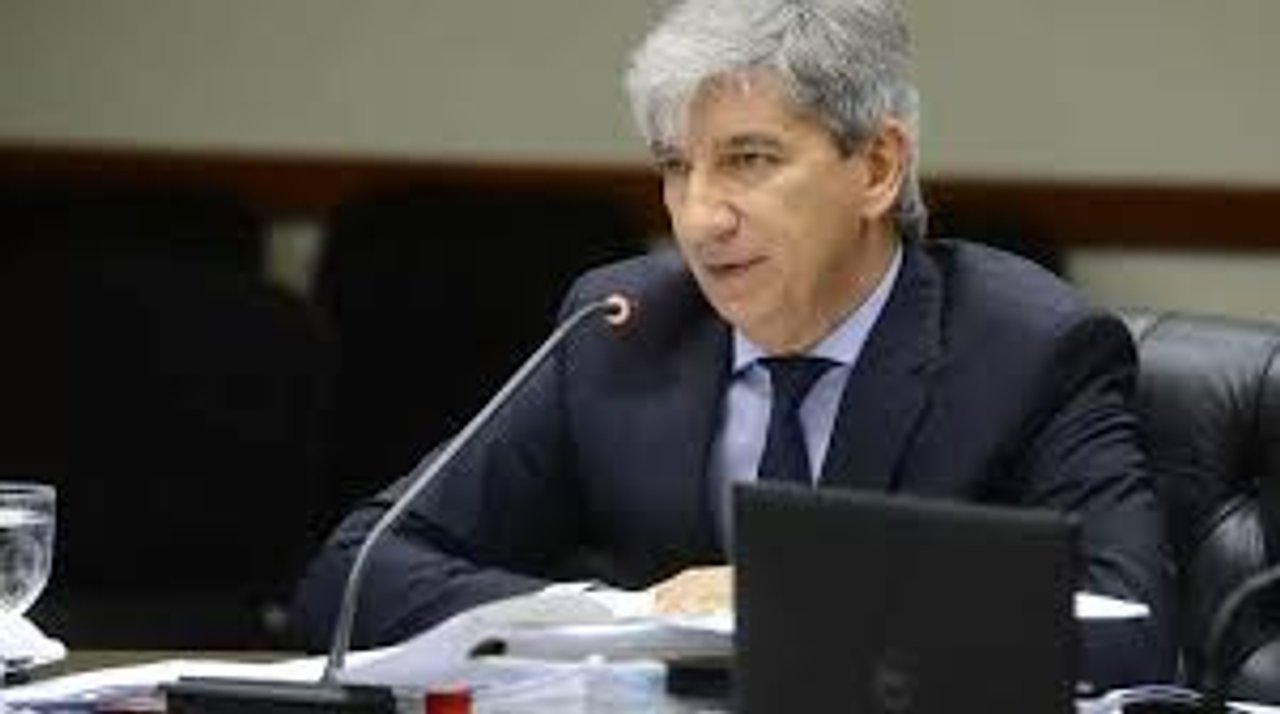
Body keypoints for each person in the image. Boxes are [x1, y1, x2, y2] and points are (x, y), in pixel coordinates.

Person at [292, 0, 1171, 688]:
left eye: (749, 160)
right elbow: (355, 574)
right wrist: (631, 618)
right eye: (676, 166)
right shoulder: (621, 329)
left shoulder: (1029, 350)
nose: (700, 218)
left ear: (876, 168)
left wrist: (793, 600)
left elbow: (1132, 633)